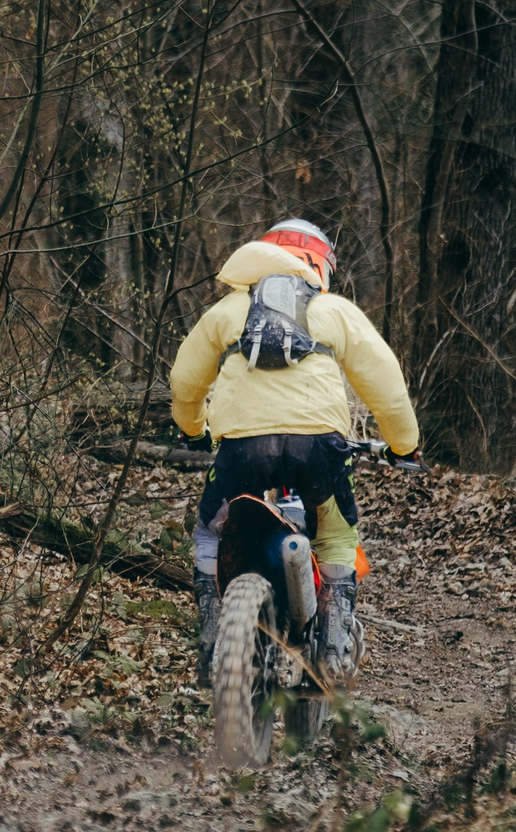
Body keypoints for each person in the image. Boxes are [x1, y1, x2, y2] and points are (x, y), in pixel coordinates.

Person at [166, 219, 420, 689]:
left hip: (241, 449)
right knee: (338, 538)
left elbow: (185, 381)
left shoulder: (228, 311)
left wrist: (193, 429)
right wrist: (404, 445)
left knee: (209, 533)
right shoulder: (332, 310)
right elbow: (386, 385)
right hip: (319, 448)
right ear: (320, 264)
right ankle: (335, 649)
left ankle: (210, 643)